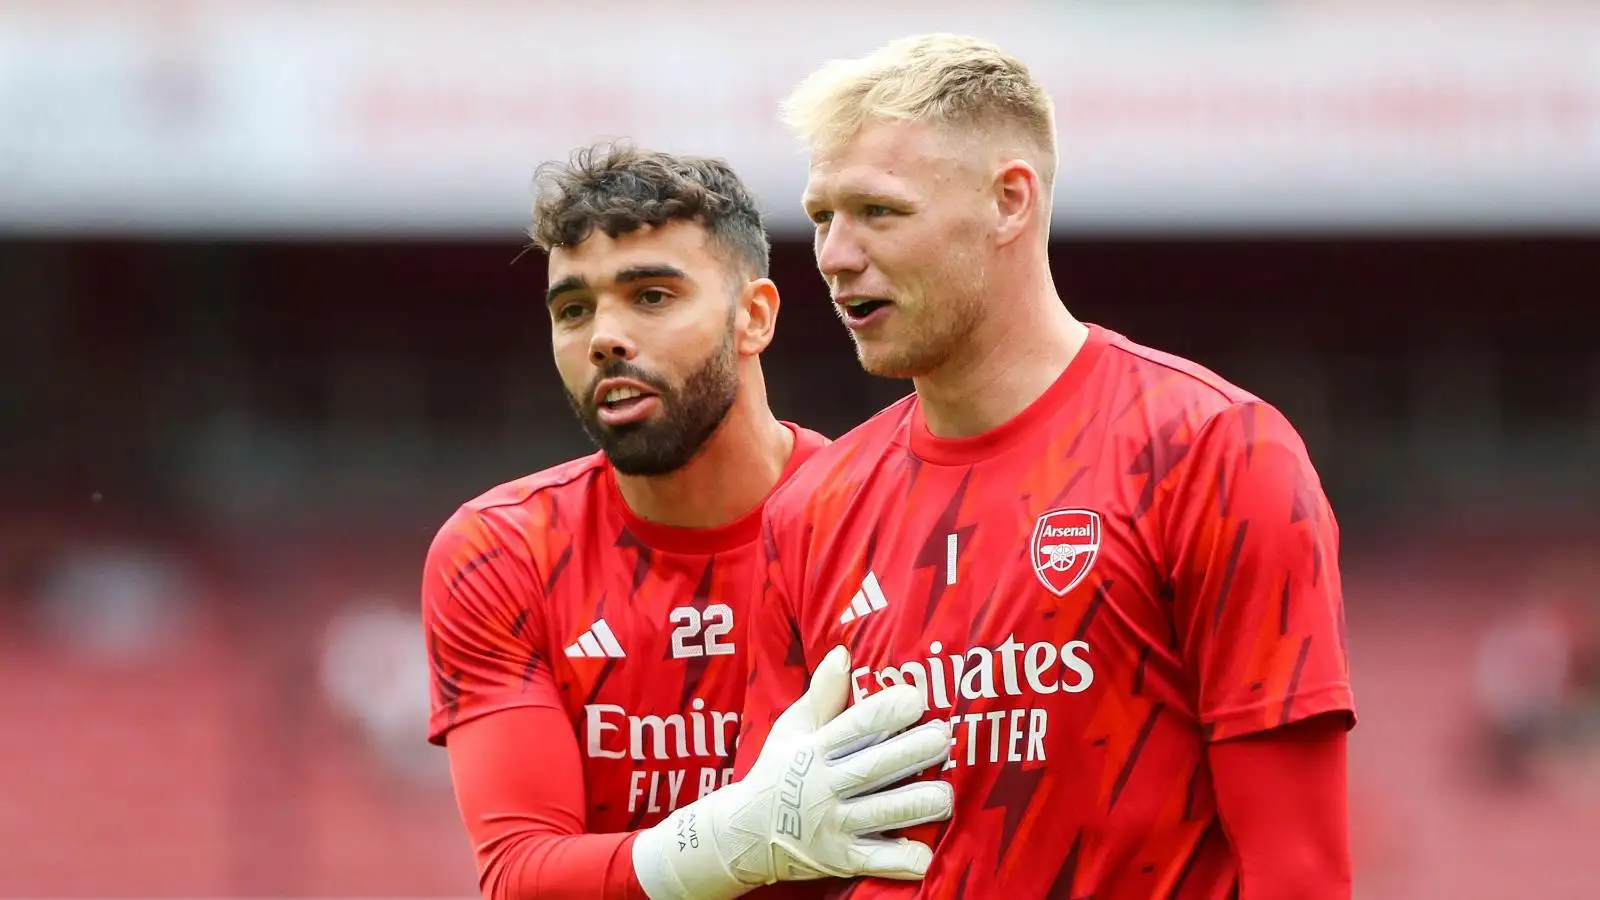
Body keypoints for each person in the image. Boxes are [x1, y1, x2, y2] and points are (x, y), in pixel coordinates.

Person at [735, 34, 1357, 899]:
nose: (836, 255)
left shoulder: (1213, 453)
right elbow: (776, 872)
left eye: (879, 212)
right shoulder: (809, 509)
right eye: (820, 217)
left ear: (1009, 202)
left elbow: (1299, 873)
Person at [422, 144, 954, 900]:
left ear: (755, 317)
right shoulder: (499, 552)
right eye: (573, 309)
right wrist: (739, 837)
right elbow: (520, 877)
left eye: (651, 296)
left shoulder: (885, 518)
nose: (604, 336)